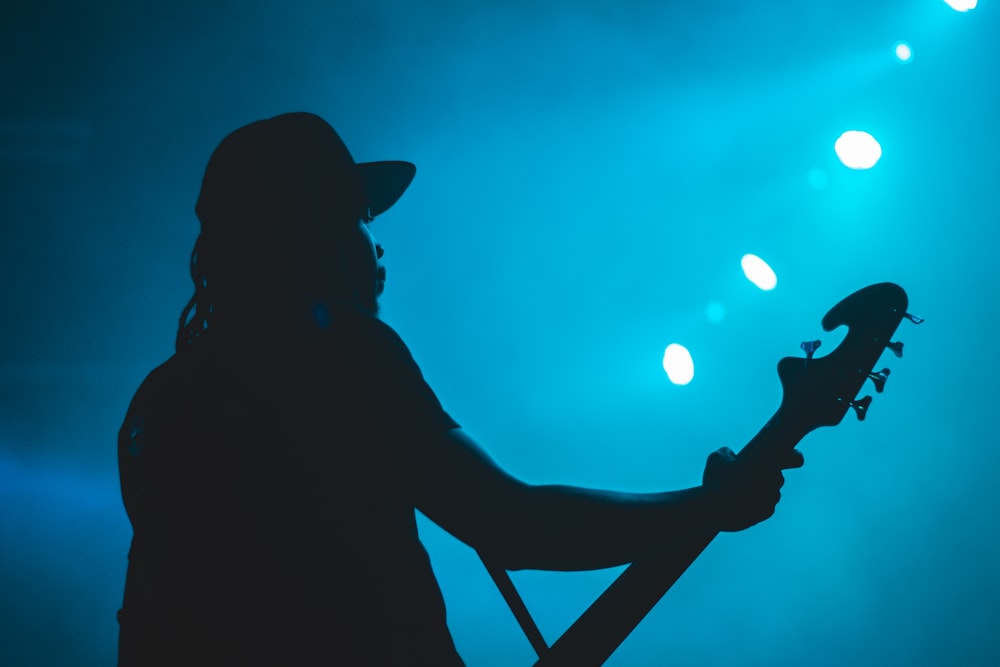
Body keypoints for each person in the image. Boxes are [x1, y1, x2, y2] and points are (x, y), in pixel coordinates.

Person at [116, 112, 803, 666]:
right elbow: (513, 524)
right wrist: (712, 504)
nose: (377, 249)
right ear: (313, 228)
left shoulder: (156, 405)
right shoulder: (335, 346)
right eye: (361, 220)